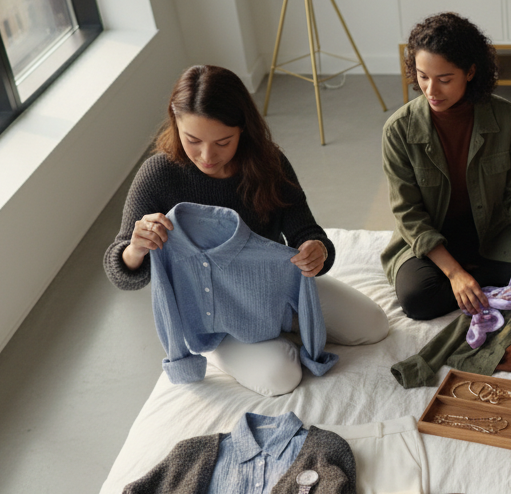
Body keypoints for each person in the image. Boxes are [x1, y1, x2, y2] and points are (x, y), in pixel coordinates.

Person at [104, 64, 388, 396]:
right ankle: (224, 347)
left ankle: (278, 326)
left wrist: (317, 249)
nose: (207, 155)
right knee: (281, 376)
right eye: (192, 140)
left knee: (374, 325)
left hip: (273, 290)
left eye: (223, 141)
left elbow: (307, 230)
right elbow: (119, 270)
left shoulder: (268, 163)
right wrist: (136, 248)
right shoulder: (158, 175)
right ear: (175, 121)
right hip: (217, 314)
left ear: (243, 129)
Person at [381, 12, 511, 321]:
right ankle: (484, 279)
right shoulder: (398, 130)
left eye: (444, 79)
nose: (431, 90)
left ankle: (479, 279)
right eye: (422, 76)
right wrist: (454, 273)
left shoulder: (505, 117)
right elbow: (409, 215)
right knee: (418, 299)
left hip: (491, 233)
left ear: (470, 72)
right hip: (430, 242)